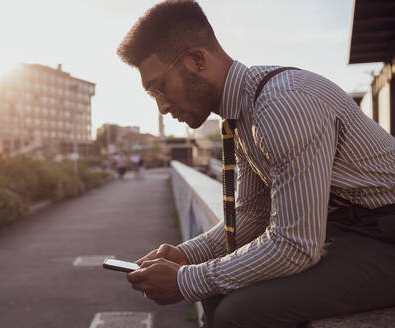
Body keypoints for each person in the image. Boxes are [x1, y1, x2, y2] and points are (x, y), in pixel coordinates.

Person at [116, 1, 395, 327]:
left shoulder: (283, 105)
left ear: (196, 60)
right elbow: (253, 215)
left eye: (159, 88)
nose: (162, 107)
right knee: (216, 292)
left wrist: (185, 279)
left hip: (383, 235)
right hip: (357, 230)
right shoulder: (245, 110)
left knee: (241, 312)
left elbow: (294, 245)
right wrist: (186, 256)